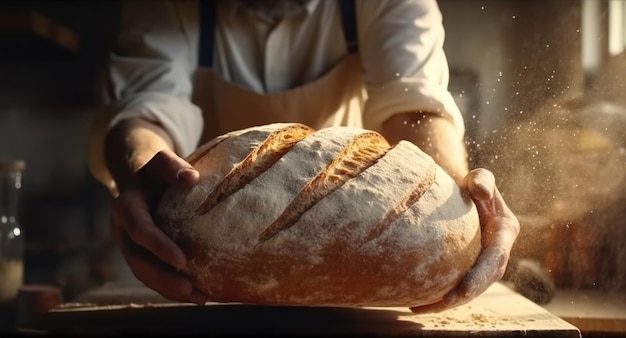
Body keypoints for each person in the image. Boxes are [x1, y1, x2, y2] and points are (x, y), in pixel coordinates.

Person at [87, 0, 520, 313]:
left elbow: (415, 107)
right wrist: (140, 173)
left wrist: (454, 211)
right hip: (197, 273)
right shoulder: (168, 7)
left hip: (359, 256)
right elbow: (145, 107)